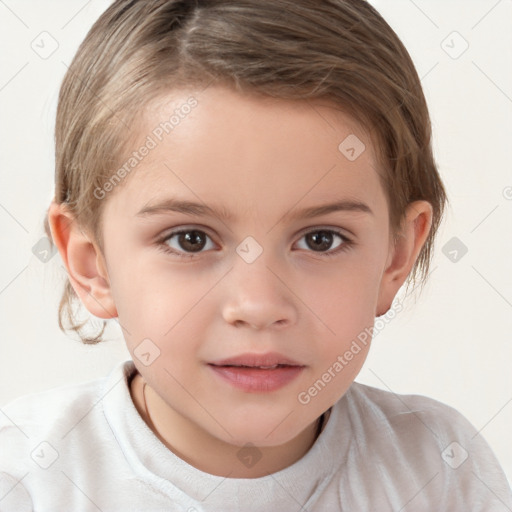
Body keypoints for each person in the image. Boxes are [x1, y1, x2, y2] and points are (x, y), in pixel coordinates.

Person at [1, 1, 511, 510]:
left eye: (321, 239)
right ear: (93, 264)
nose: (259, 303)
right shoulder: (26, 480)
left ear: (395, 255)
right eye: (190, 240)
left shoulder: (440, 471)